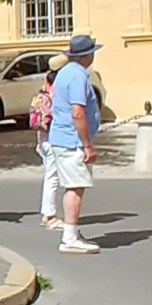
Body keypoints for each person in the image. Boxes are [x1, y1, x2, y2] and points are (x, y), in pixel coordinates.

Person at [46, 34, 104, 254]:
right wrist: (87, 144)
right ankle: (69, 236)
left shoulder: (65, 73)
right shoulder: (78, 77)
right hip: (71, 140)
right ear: (87, 55)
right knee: (76, 187)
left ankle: (72, 232)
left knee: (74, 185)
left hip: (63, 137)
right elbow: (77, 112)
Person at [29, 53, 68, 230]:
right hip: (54, 136)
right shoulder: (58, 90)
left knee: (51, 174)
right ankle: (49, 214)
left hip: (43, 136)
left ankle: (49, 213)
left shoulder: (45, 88)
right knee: (53, 177)